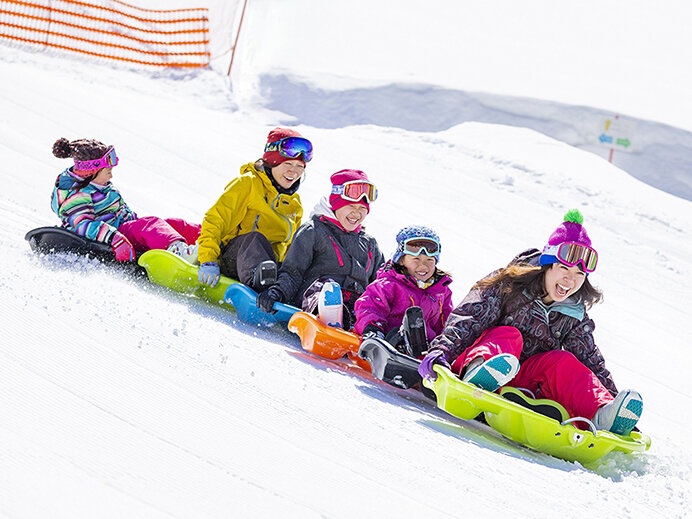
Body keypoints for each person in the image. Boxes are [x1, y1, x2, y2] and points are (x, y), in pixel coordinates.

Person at [418, 210, 644, 436]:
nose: (570, 280)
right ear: (548, 265)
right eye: (564, 268)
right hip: (477, 359)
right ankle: (479, 377)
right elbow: (470, 317)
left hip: (523, 382)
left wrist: (614, 401)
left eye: (579, 274)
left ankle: (602, 415)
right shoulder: (509, 284)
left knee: (563, 361)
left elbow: (590, 359)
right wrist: (442, 350)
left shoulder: (574, 313)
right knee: (509, 335)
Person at [257, 169, 385, 329]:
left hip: (356, 305)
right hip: (315, 299)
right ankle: (331, 317)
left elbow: (381, 285)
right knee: (326, 290)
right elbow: (292, 271)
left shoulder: (370, 244)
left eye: (362, 208)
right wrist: (277, 291)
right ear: (336, 204)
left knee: (371, 303)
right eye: (350, 206)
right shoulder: (313, 231)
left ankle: (373, 329)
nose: (356, 213)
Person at [196, 128, 310, 291]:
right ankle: (264, 284)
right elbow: (216, 219)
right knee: (255, 240)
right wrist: (208, 259)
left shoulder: (294, 203)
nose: (294, 171)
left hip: (270, 268)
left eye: (300, 166)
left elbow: (290, 249)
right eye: (288, 164)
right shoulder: (248, 184)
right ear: (273, 162)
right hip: (233, 259)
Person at [51, 138, 200, 262]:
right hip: (116, 235)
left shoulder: (99, 185)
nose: (111, 176)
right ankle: (180, 254)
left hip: (125, 228)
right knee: (151, 225)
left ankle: (209, 240)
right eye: (108, 171)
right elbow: (83, 225)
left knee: (172, 225)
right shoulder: (78, 193)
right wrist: (114, 238)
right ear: (91, 172)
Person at [354, 225, 453, 357]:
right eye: (416, 259)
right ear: (401, 260)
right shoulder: (389, 284)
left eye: (429, 260)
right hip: (390, 340)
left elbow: (445, 322)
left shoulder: (441, 291)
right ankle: (404, 348)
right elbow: (369, 306)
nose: (423, 265)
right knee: (408, 321)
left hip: (427, 347)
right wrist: (373, 329)